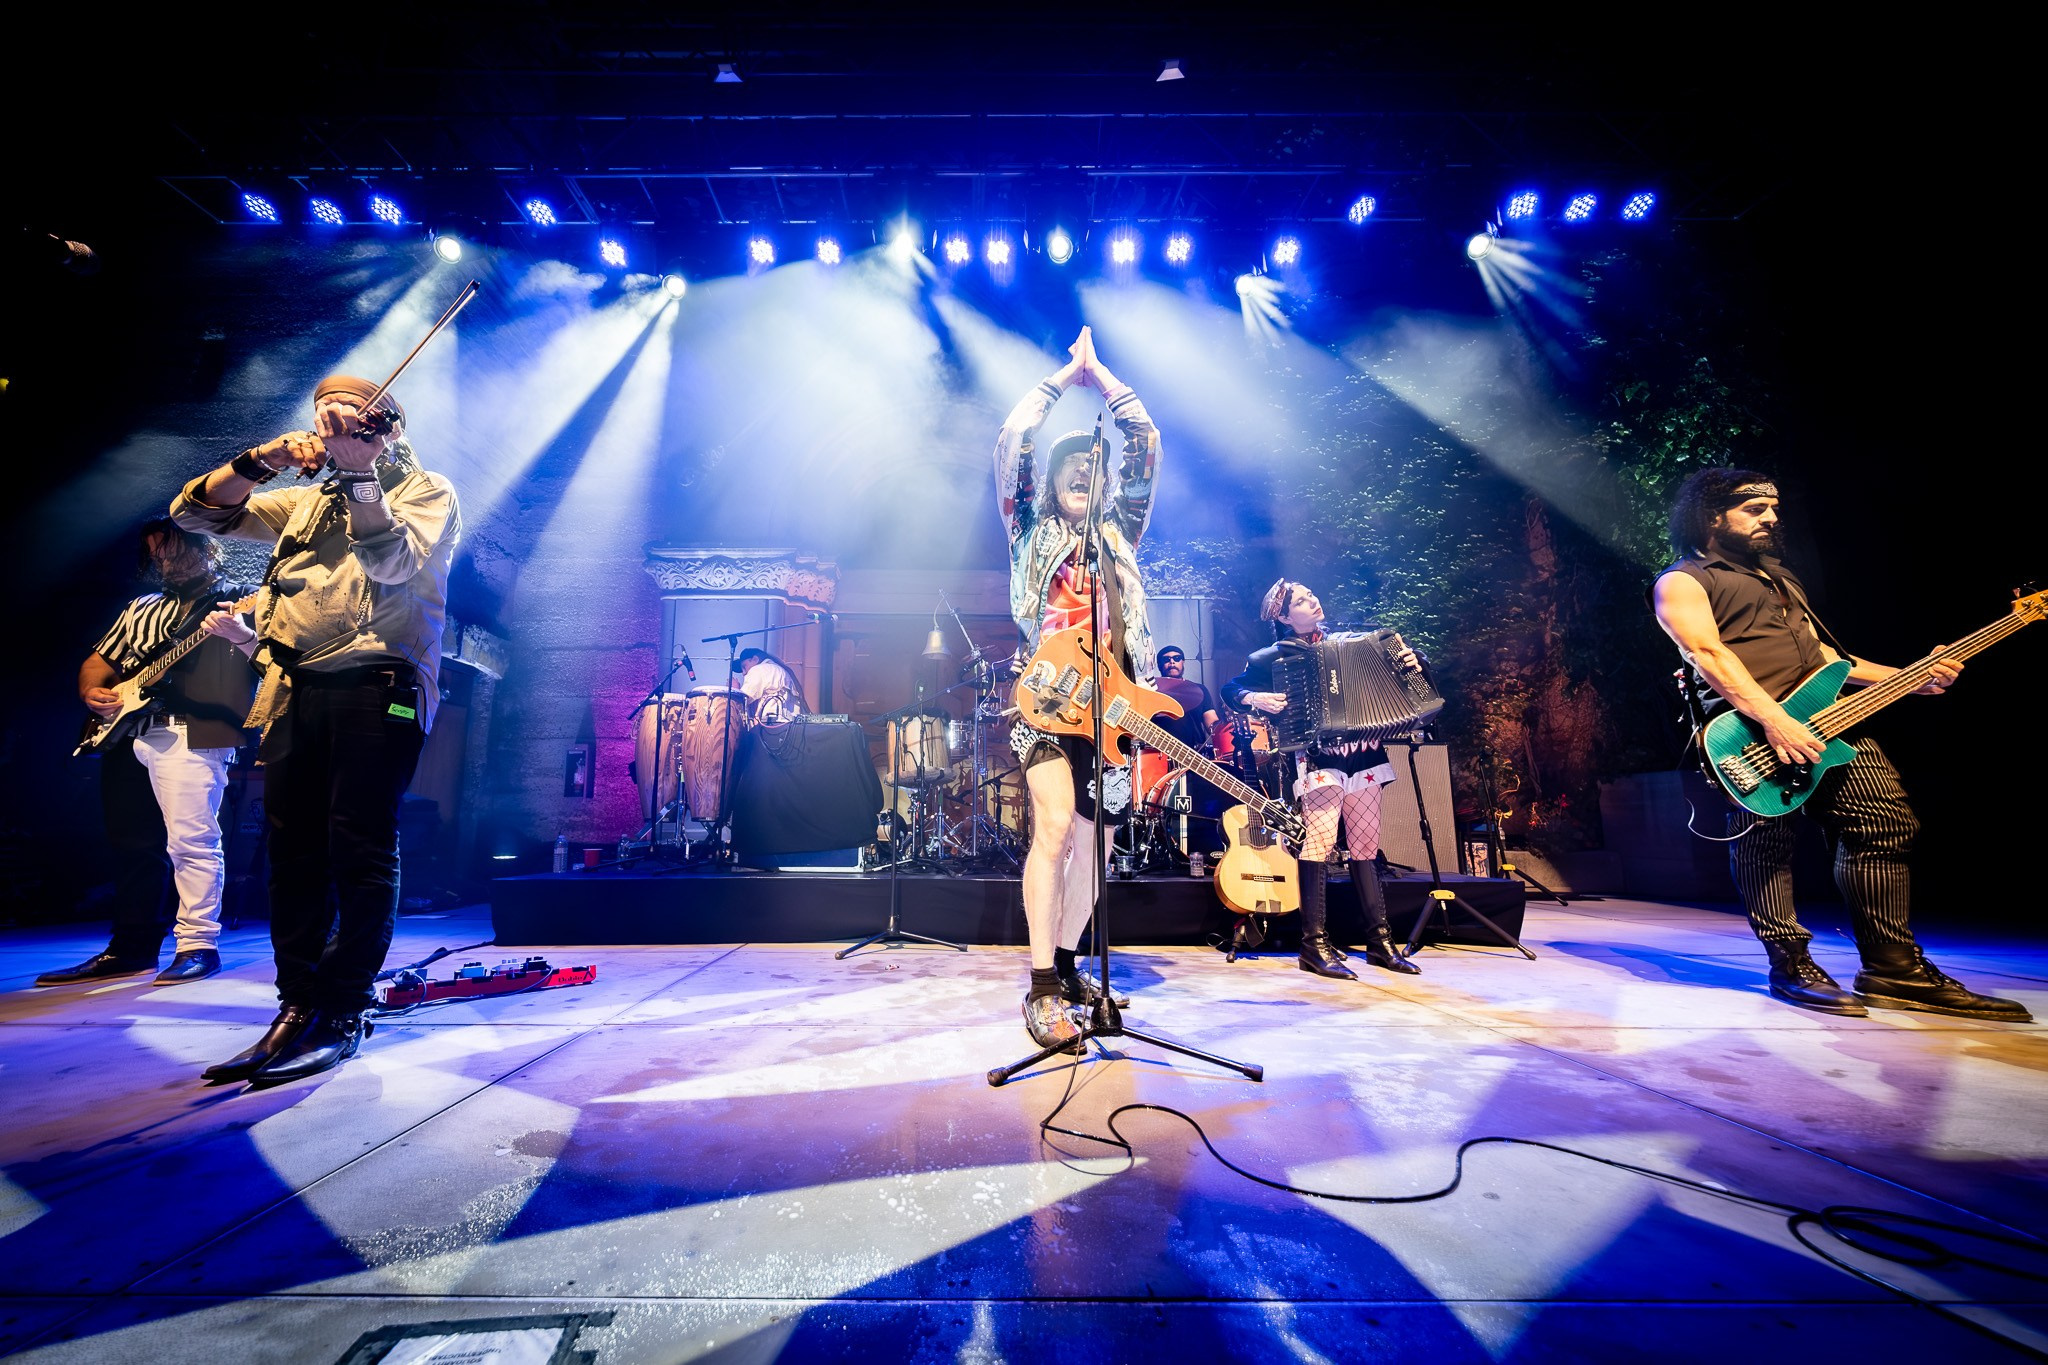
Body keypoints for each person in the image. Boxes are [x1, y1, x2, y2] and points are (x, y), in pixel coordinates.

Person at [170, 374, 463, 1083]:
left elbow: (394, 564)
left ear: (386, 425)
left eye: (349, 419)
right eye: (323, 420)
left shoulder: (426, 491)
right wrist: (262, 458)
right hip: (293, 686)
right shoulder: (305, 500)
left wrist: (363, 474)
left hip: (378, 682)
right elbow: (194, 515)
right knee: (292, 851)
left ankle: (342, 1007)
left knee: (358, 842)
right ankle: (296, 1004)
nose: (331, 431)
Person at [1651, 468, 2026, 1021]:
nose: (1772, 518)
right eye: (1755, 510)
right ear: (1712, 517)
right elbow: (1707, 654)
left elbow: (1825, 660)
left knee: (1885, 821)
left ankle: (1891, 967)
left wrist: (1907, 676)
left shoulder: (1780, 580)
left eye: (1774, 508)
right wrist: (1775, 720)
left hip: (1832, 720)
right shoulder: (1684, 580)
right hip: (1749, 731)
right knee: (1766, 843)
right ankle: (1790, 961)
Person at [995, 325, 1160, 1051]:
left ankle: (1067, 966)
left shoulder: (1120, 533)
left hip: (1113, 712)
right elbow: (1011, 444)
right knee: (1056, 826)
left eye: (1096, 467)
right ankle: (1039, 988)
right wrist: (1069, 377)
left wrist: (1112, 384)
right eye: (1074, 464)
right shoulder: (1029, 529)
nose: (1085, 473)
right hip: (1044, 703)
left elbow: (1147, 444)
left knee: (1097, 846)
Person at [37, 522, 257, 988]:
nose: (168, 563)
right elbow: (98, 663)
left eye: (176, 552)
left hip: (195, 730)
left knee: (190, 842)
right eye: (159, 556)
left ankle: (198, 946)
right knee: (133, 845)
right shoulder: (141, 608)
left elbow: (271, 660)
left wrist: (238, 633)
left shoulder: (244, 597)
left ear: (208, 547)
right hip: (129, 731)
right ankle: (131, 949)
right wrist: (93, 691)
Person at [1223, 579, 1420, 979]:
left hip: (1363, 752)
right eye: (1302, 599)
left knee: (1366, 844)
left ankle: (1380, 941)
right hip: (1316, 755)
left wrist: (1414, 661)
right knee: (1321, 839)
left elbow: (1403, 665)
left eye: (1314, 594)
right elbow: (1231, 689)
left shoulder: (1350, 642)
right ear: (1283, 615)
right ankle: (1313, 944)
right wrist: (1254, 699)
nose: (1314, 600)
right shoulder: (1272, 657)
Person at [734, 647, 808, 724]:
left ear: (755, 659)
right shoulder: (779, 670)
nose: (743, 673)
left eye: (744, 667)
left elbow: (744, 699)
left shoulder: (759, 669)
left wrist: (734, 691)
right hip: (789, 724)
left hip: (771, 726)